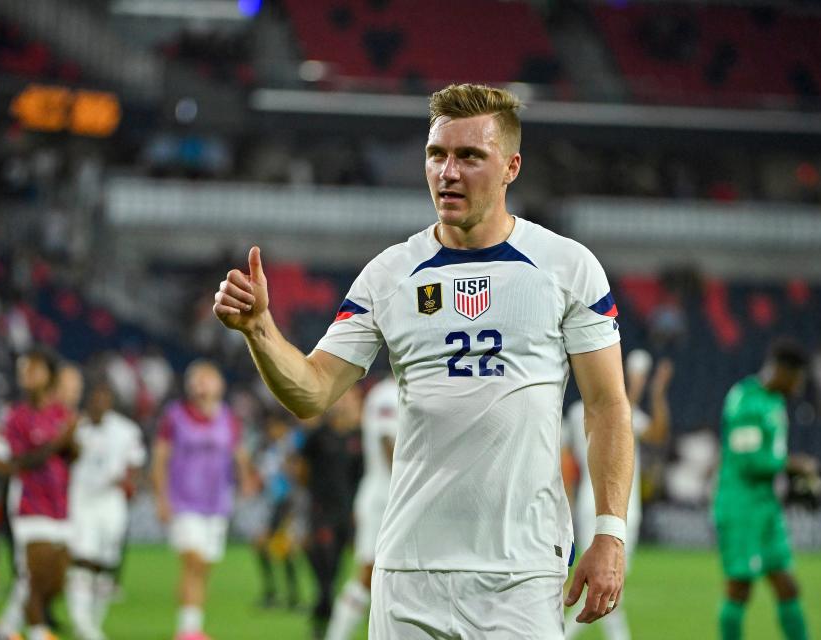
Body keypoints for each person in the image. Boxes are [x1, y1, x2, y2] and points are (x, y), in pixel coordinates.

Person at [212, 83, 634, 638]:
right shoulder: (389, 274)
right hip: (409, 571)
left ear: (511, 166)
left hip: (522, 572)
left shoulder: (567, 267)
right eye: (437, 154)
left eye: (469, 156)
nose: (447, 172)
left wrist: (609, 531)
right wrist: (259, 329)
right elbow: (312, 391)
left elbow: (606, 406)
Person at [564, 350, 672, 640]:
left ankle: (560, 632)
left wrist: (658, 392)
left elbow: (658, 433)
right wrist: (637, 386)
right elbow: (614, 421)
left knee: (610, 582)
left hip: (627, 508)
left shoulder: (622, 409)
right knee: (603, 580)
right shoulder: (580, 412)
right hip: (596, 504)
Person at [714, 338, 813, 640]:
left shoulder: (776, 402)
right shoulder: (746, 399)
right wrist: (792, 465)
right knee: (739, 588)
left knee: (787, 585)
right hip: (741, 506)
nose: (799, 385)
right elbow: (748, 461)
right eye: (797, 377)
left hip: (766, 506)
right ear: (782, 371)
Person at [151, 360, 255, 640]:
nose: (202, 385)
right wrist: (161, 498)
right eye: (197, 380)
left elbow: (239, 452)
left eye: (208, 379)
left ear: (220, 385)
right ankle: (187, 631)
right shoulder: (175, 417)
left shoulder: (228, 418)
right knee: (193, 561)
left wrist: (246, 479)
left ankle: (192, 621)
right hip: (183, 501)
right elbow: (160, 458)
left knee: (204, 566)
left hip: (217, 503)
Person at [0, 347, 77, 640]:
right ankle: (39, 632)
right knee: (35, 572)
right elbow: (12, 463)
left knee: (55, 579)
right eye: (25, 370)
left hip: (60, 503)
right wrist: (58, 442)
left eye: (35, 369)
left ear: (49, 375)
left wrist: (73, 442)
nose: (28, 375)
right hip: (28, 502)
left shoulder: (60, 413)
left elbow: (71, 456)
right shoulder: (16, 417)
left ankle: (4, 629)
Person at [66, 377, 146, 640]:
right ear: (88, 400)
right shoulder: (75, 428)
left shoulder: (126, 430)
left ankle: (93, 623)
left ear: (111, 401)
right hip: (81, 499)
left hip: (111, 501)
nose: (100, 403)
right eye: (95, 398)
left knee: (106, 563)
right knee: (82, 558)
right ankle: (81, 620)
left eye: (104, 398)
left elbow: (135, 463)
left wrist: (129, 483)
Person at [324, 375, 398, 640]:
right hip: (385, 498)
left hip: (394, 497)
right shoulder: (388, 394)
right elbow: (387, 441)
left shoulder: (409, 388)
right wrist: (407, 487)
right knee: (369, 574)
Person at [296, 387, 363, 639]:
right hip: (321, 512)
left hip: (347, 515)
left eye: (349, 398)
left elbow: (362, 477)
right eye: (341, 397)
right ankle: (324, 622)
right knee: (325, 576)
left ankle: (322, 620)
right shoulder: (318, 436)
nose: (344, 403)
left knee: (335, 572)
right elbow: (301, 469)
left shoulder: (359, 437)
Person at [251, 412, 301, 610]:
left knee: (286, 549)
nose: (272, 431)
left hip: (288, 503)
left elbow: (297, 475)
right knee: (261, 546)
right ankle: (273, 592)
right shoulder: (269, 450)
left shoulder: (292, 446)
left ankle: (292, 597)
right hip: (271, 504)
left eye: (275, 427)